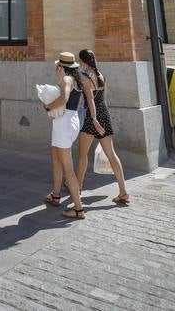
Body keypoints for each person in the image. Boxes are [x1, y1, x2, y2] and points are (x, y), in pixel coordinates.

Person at [75, 48, 129, 205]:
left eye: (80, 61)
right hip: (104, 113)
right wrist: (101, 116)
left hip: (93, 117)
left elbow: (90, 99)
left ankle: (77, 188)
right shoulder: (101, 76)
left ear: (83, 61)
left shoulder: (85, 76)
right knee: (111, 154)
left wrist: (93, 118)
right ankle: (123, 192)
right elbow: (103, 98)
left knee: (83, 154)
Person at [42, 51, 87, 220]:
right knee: (56, 157)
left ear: (61, 66)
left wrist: (48, 106)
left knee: (67, 166)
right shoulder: (75, 79)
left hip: (64, 122)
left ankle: (78, 208)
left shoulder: (67, 79)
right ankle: (55, 195)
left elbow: (64, 98)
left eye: (57, 66)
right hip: (71, 120)